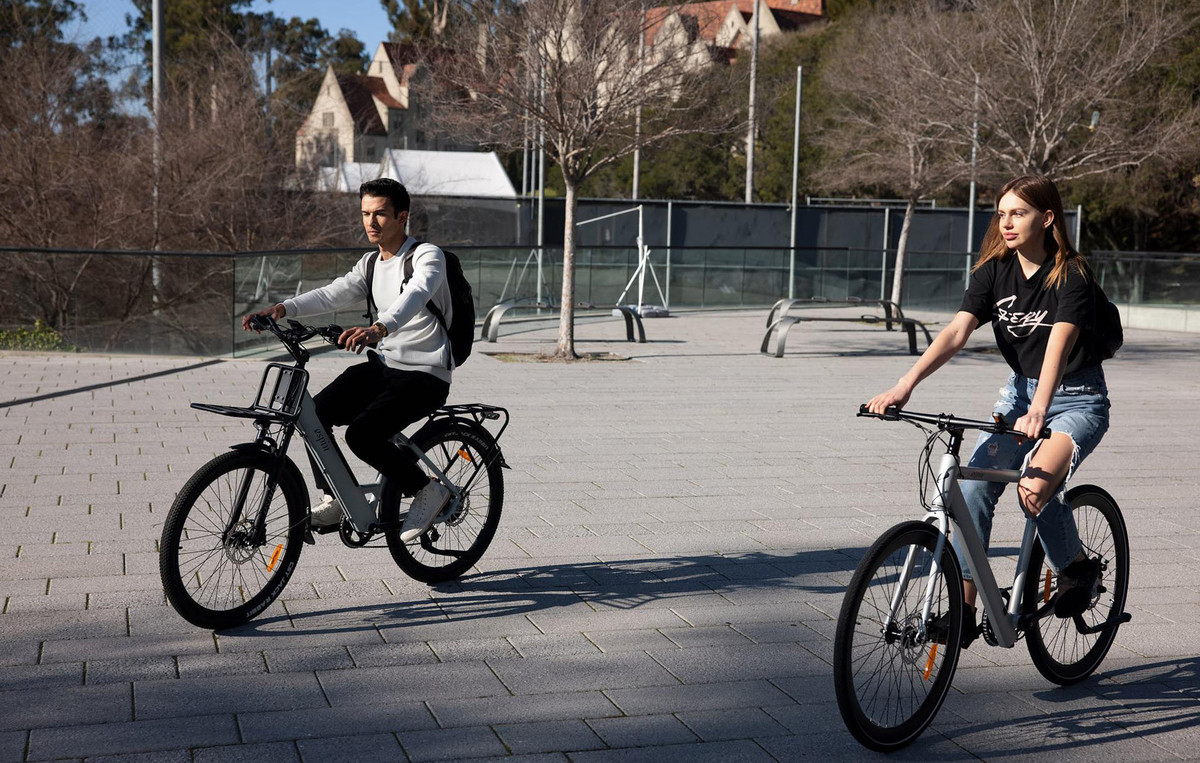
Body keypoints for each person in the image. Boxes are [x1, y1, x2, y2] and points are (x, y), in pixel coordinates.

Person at [866, 174, 1110, 644]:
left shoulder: (1071, 273)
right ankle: (965, 610)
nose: (1007, 222)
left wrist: (1040, 408)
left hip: (1077, 398)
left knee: (1033, 491)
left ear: (1047, 217)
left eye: (1018, 212)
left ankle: (1076, 569)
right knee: (972, 492)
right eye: (1001, 213)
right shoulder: (993, 272)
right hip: (1018, 396)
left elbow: (1060, 339)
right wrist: (905, 385)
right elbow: (957, 331)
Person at [242, 178, 453, 542]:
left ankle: (427, 489)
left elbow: (417, 293)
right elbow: (333, 293)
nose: (371, 223)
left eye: (381, 214)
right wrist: (282, 308)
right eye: (365, 214)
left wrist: (379, 328)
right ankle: (335, 497)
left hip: (425, 374)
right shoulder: (370, 264)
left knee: (362, 435)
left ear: (402, 216)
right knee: (314, 414)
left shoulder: (426, 256)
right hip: (386, 367)